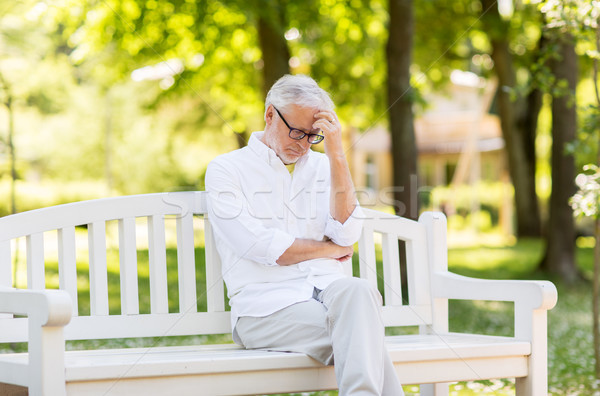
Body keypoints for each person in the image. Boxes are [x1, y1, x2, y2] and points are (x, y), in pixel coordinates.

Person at [205, 74, 404, 395]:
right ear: (270, 114)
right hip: (265, 311)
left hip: (329, 296)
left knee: (358, 291)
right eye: (296, 131)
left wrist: (337, 153)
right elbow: (262, 247)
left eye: (313, 136)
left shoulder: (324, 166)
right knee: (362, 336)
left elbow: (348, 232)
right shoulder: (227, 169)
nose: (301, 144)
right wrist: (327, 250)